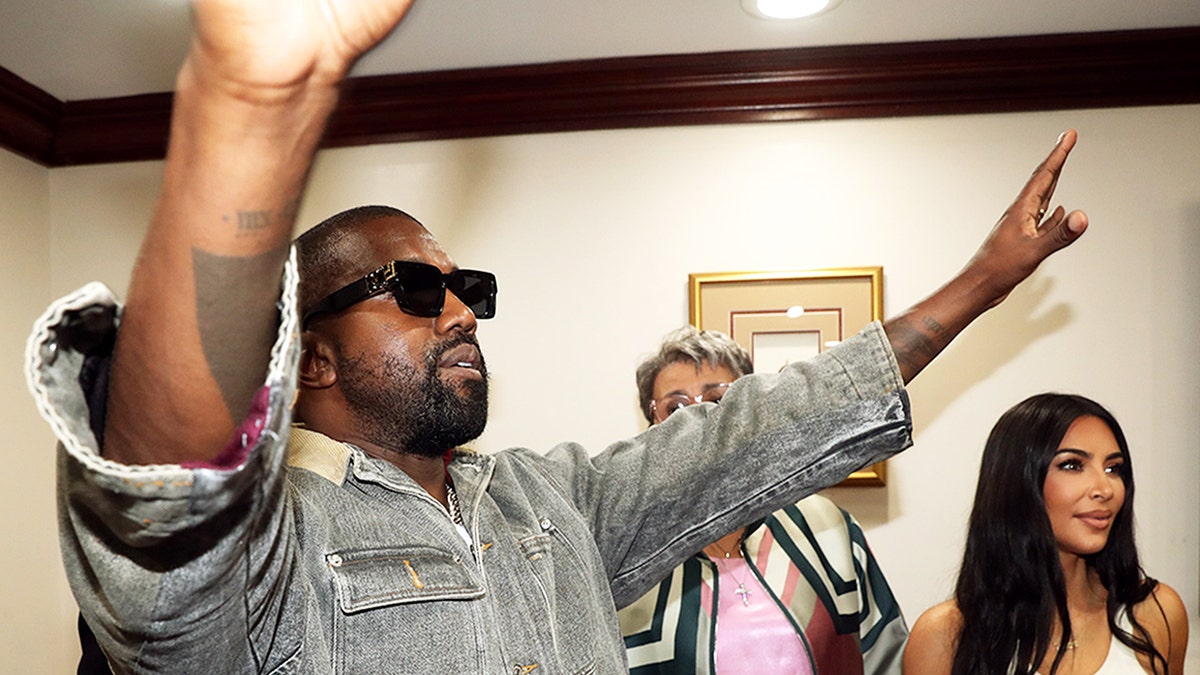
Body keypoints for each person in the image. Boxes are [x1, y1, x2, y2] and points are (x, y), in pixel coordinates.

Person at [24, 0, 1089, 671]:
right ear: (308, 355)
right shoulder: (274, 544)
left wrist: (982, 283)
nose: (460, 311)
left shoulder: (555, 504)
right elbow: (166, 494)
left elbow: (767, 428)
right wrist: (247, 108)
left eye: (469, 287)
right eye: (414, 288)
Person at [619, 327, 907, 674]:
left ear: (751, 412)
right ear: (653, 427)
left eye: (717, 401)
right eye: (676, 407)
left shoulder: (825, 526)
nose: (697, 421)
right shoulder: (630, 559)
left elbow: (886, 655)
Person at [903, 394, 1189, 675]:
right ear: (1017, 481)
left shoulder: (1156, 613)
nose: (1105, 488)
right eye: (1073, 465)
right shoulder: (945, 636)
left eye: (1113, 468)